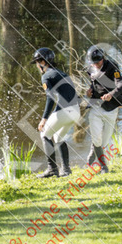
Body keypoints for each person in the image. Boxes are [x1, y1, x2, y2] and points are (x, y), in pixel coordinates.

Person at [31, 48, 81, 178]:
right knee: (59, 137)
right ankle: (66, 170)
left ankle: (52, 169)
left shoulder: (46, 76)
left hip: (65, 111)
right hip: (76, 111)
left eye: (37, 62)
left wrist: (44, 119)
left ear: (42, 62)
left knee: (44, 134)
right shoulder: (61, 73)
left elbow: (50, 98)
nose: (37, 65)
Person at [85, 46, 122, 173]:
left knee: (104, 141)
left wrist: (111, 94)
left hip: (111, 108)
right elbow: (94, 82)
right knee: (97, 138)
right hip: (96, 106)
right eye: (93, 63)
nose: (96, 65)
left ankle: (94, 149)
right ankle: (104, 167)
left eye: (98, 62)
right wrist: (90, 90)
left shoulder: (112, 67)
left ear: (103, 58)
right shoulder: (91, 68)